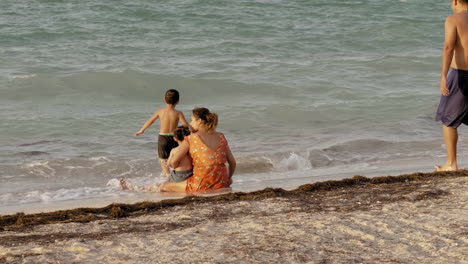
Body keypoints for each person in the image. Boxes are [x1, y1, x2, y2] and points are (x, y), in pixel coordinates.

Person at [160, 107, 236, 192]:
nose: (190, 123)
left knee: (164, 186)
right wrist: (228, 178)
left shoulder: (191, 138)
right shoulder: (221, 137)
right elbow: (232, 163)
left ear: (199, 121)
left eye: (192, 120)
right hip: (222, 182)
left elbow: (174, 162)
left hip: (201, 184)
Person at [435, 0, 468, 171]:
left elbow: (448, 48)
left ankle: (451, 163)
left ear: (455, 1)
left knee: (448, 119)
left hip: (461, 74)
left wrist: (443, 76)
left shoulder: (453, 19)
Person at [134, 89, 191, 176]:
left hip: (163, 137)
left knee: (163, 159)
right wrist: (194, 130)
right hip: (174, 137)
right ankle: (176, 173)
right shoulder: (178, 113)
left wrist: (141, 130)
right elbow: (185, 124)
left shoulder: (160, 111)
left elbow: (151, 121)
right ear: (178, 101)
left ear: (164, 99)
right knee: (175, 156)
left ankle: (167, 175)